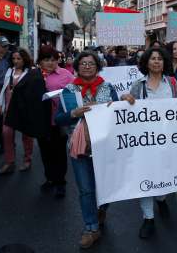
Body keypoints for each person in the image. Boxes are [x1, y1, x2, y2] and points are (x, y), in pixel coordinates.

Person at [121, 47, 177, 239]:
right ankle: (148, 218)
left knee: (163, 172)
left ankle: (161, 198)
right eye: (152, 58)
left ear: (165, 63)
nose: (156, 62)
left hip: (168, 140)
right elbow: (127, 109)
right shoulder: (138, 85)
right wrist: (124, 98)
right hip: (144, 141)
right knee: (145, 175)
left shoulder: (173, 83)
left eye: (160, 59)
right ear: (146, 62)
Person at [54, 51, 118, 249]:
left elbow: (121, 114)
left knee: (106, 185)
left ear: (97, 66)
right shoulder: (68, 89)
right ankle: (91, 228)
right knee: (85, 189)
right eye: (83, 63)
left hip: (105, 145)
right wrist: (73, 113)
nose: (87, 67)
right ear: (77, 66)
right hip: (80, 146)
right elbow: (58, 119)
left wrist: (115, 106)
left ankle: (102, 208)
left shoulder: (108, 87)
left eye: (91, 63)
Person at [36, 45, 74, 197]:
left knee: (59, 152)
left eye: (53, 60)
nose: (51, 63)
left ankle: (60, 182)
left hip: (58, 121)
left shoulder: (65, 75)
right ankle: (49, 178)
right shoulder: (35, 76)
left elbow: (75, 92)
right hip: (41, 122)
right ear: (40, 62)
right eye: (46, 60)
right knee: (45, 152)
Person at [0, 47, 34, 174]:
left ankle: (27, 159)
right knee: (6, 133)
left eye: (19, 58)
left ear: (24, 59)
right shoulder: (10, 71)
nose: (16, 61)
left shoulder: (30, 72)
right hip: (9, 109)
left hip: (24, 110)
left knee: (27, 136)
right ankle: (9, 162)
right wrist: (0, 104)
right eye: (13, 58)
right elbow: (4, 89)